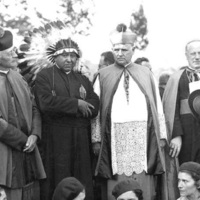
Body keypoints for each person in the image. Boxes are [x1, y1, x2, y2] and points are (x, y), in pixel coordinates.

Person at [91, 23, 177, 200]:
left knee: (143, 177)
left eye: (124, 49)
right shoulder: (103, 75)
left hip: (142, 135)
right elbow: (96, 111)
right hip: (114, 135)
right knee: (116, 177)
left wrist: (161, 135)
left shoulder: (146, 73)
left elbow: (157, 107)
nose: (120, 53)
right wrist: (96, 138)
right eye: (116, 49)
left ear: (133, 49)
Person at [34, 37, 99, 200]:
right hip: (56, 137)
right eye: (64, 55)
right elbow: (45, 103)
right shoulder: (44, 76)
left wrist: (69, 108)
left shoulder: (83, 79)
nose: (69, 59)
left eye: (73, 55)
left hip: (80, 138)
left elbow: (95, 105)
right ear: (55, 57)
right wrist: (77, 105)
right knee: (58, 178)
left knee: (82, 177)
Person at [0, 27, 46, 200]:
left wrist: (34, 134)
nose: (15, 54)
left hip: (28, 150)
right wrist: (23, 141)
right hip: (5, 153)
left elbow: (34, 107)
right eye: (10, 51)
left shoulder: (18, 77)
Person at [163, 40, 200, 165]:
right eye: (193, 53)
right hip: (186, 134)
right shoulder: (176, 78)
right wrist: (176, 135)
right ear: (186, 55)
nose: (197, 57)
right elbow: (171, 110)